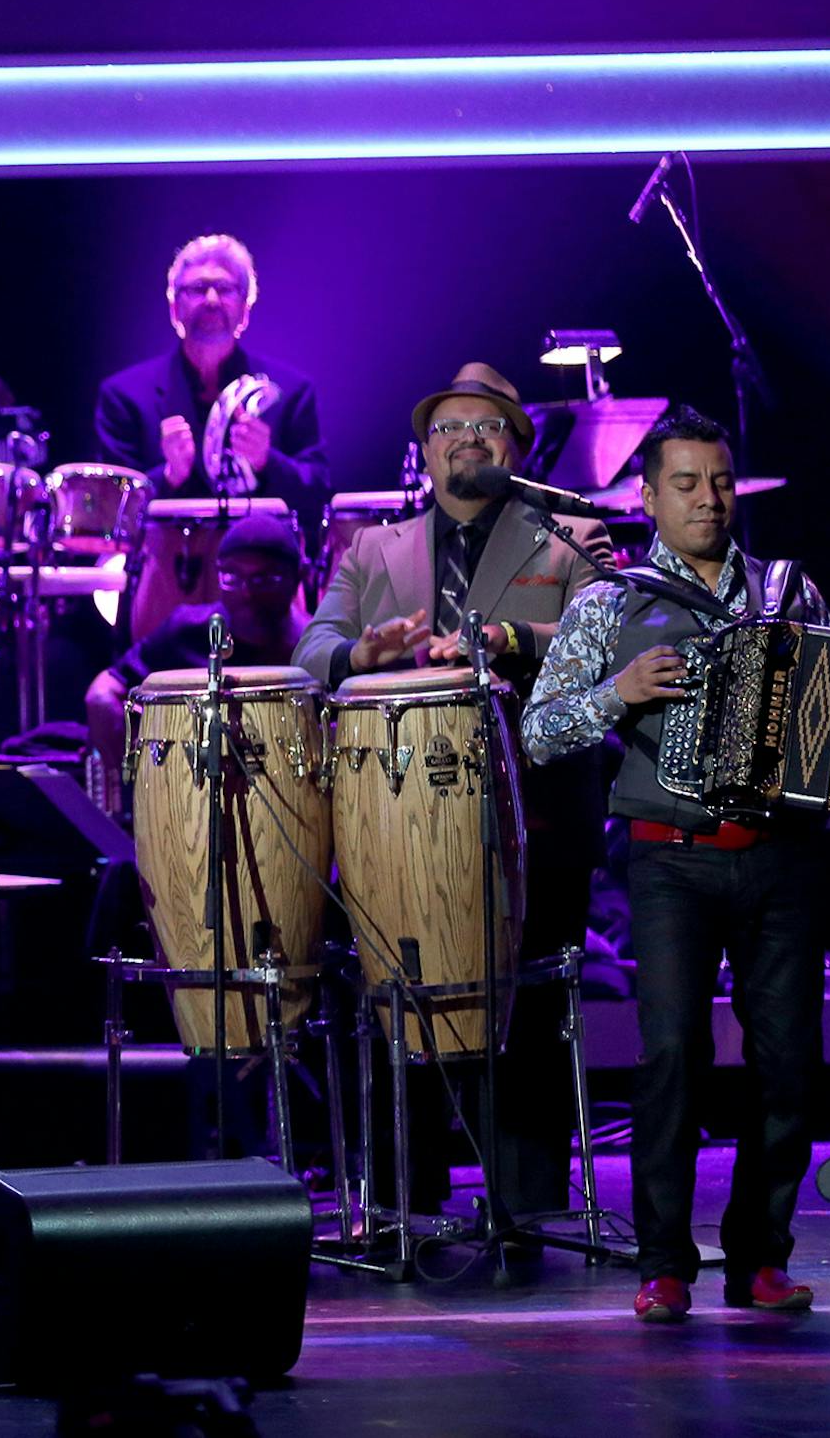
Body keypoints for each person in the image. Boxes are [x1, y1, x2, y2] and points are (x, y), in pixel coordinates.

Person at [521, 406, 830, 1322]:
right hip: (670, 860)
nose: (709, 500)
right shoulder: (607, 604)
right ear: (647, 497)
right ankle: (663, 1262)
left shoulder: (788, 594)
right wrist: (619, 692)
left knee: (787, 1064)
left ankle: (759, 1258)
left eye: (721, 482)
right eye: (686, 484)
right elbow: (537, 732)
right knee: (674, 1059)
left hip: (781, 858)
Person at [293, 361, 610, 1221]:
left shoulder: (570, 536)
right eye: (448, 427)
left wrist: (507, 636)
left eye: (488, 426)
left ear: (516, 446)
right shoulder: (371, 549)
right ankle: (404, 1202)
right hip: (394, 816)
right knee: (399, 995)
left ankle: (530, 1204)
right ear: (423, 453)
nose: (467, 438)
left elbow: (599, 633)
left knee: (528, 1004)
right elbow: (309, 650)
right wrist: (362, 654)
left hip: (537, 807)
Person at [94, 234, 327, 518]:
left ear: (245, 311)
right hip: (162, 560)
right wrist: (167, 476)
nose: (212, 299)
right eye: (197, 288)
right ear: (174, 309)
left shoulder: (292, 392)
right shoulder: (124, 396)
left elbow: (319, 499)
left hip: (265, 560)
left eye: (226, 288)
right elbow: (106, 511)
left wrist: (267, 461)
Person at [84, 510, 310, 776]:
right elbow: (103, 692)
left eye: (264, 579)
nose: (247, 592)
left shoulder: (316, 647)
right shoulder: (187, 631)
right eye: (232, 578)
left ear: (297, 578)